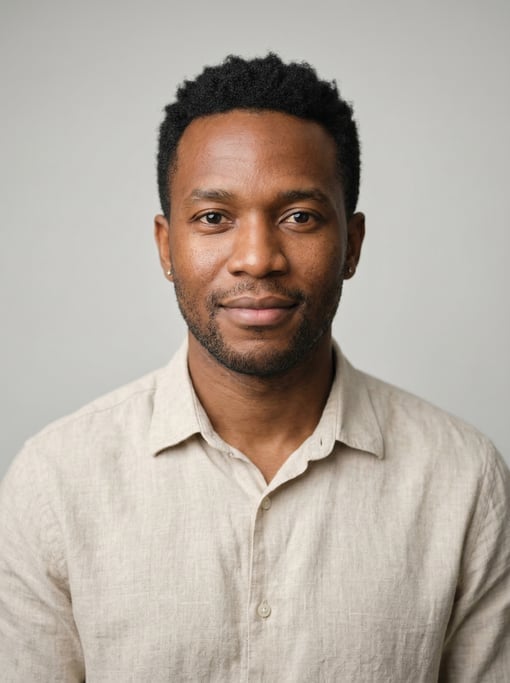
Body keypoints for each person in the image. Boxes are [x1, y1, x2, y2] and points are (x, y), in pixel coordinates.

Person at [1, 54, 509, 682]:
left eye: (300, 217)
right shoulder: (54, 483)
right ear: (167, 246)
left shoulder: (462, 479)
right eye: (214, 218)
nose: (257, 258)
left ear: (352, 245)